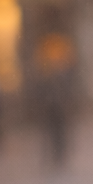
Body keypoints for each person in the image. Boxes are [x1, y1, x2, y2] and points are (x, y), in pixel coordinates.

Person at [30, 33, 77, 170]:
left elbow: (69, 90)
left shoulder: (65, 72)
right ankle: (51, 155)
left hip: (60, 107)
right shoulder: (44, 74)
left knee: (61, 132)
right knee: (49, 132)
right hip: (49, 107)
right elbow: (39, 91)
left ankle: (60, 154)